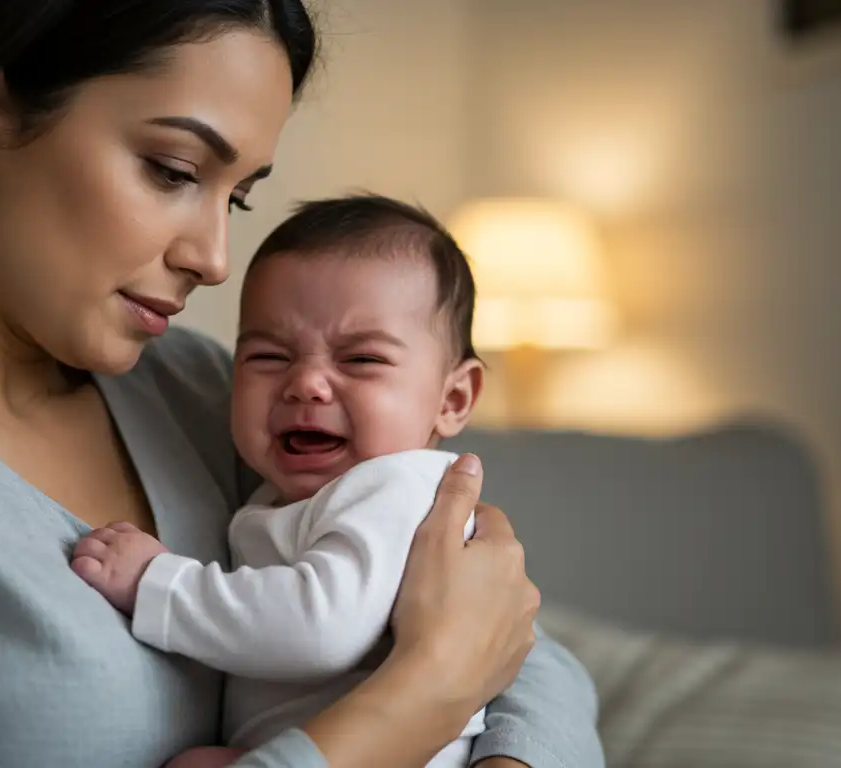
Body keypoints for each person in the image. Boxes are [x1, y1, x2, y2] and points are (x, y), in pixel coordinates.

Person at [0, 1, 604, 767]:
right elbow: (447, 661)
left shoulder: (198, 393)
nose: (213, 258)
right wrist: (413, 705)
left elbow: (512, 642)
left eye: (236, 198)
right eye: (173, 169)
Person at [72, 195, 556, 768]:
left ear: (452, 400)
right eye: (269, 356)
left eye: (361, 360)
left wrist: (159, 584)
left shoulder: (396, 489)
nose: (306, 384)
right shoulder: (289, 492)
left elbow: (323, 627)